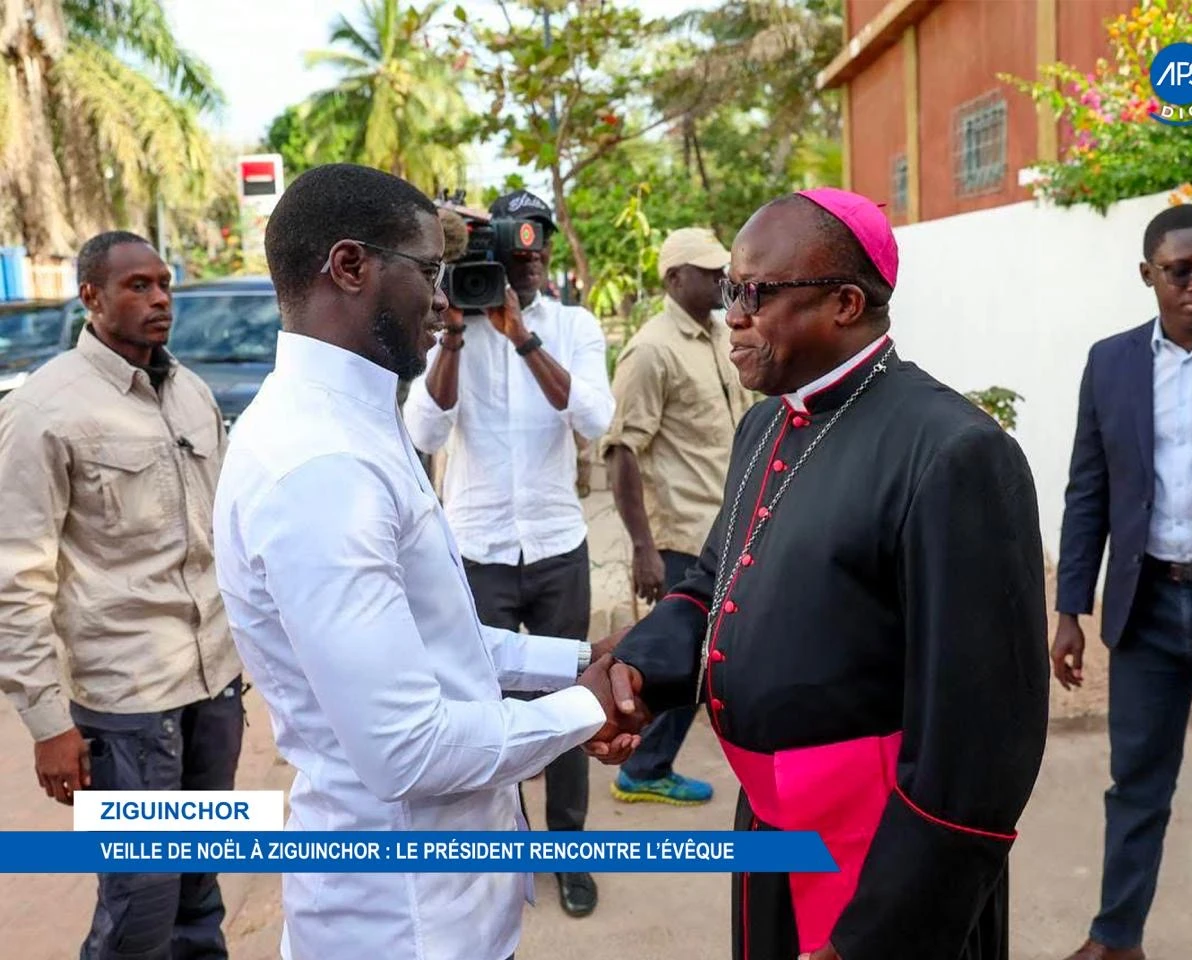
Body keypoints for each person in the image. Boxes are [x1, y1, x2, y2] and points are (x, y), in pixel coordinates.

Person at [606, 188, 1050, 960]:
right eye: (731, 291)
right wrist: (634, 671)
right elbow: (715, 583)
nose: (732, 313)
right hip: (772, 824)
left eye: (756, 293)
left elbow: (980, 746)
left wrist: (882, 933)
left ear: (846, 303)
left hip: (885, 858)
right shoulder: (766, 422)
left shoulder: (954, 452)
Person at [212, 164, 640, 960]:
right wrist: (587, 707)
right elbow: (407, 746)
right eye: (428, 272)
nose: (446, 300)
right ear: (350, 266)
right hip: (400, 923)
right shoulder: (319, 464)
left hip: (450, 902)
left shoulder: (355, 418)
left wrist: (581, 660)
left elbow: (446, 645)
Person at [0, 231, 244, 959]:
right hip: (126, 706)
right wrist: (47, 723)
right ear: (92, 298)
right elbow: (16, 579)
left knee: (199, 888)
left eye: (163, 283)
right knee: (139, 903)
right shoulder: (44, 409)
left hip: (212, 691)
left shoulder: (192, 393)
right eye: (137, 285)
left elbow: (222, 537)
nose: (160, 298)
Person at [1053, 204, 1192, 960]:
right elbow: (1088, 491)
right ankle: (1116, 940)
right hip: (1147, 607)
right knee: (1136, 786)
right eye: (1180, 270)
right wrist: (1069, 608)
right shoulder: (1111, 362)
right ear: (1147, 275)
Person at [402, 187, 616, 918]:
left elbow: (593, 416)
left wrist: (524, 337)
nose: (525, 272)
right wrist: (459, 335)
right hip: (477, 549)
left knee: (571, 700)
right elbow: (425, 432)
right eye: (512, 260)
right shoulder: (450, 326)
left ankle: (569, 852)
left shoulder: (574, 326)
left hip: (557, 544)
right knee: (481, 707)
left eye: (538, 258)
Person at [601, 227, 753, 806]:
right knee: (687, 659)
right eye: (709, 272)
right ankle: (642, 767)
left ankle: (645, 764)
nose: (721, 281)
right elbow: (622, 452)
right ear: (673, 279)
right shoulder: (650, 349)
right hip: (684, 535)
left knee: (702, 659)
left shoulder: (723, 334)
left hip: (728, 525)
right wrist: (643, 547)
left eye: (723, 272)